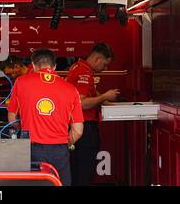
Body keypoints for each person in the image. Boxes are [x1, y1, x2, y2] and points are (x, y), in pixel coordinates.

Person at [7, 49, 84, 186]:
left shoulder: (21, 82)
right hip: (59, 151)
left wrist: (23, 127)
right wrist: (63, 143)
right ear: (54, 66)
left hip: (31, 149)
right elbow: (78, 130)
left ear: (33, 65)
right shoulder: (71, 89)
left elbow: (12, 119)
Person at [66, 42, 120, 186]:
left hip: (77, 128)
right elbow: (81, 103)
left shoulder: (78, 67)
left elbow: (89, 93)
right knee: (84, 173)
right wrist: (104, 97)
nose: (105, 69)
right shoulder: (83, 72)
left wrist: (104, 100)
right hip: (85, 129)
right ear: (97, 59)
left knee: (77, 171)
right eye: (105, 65)